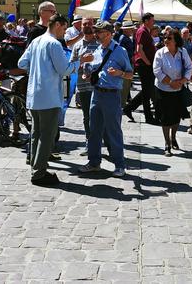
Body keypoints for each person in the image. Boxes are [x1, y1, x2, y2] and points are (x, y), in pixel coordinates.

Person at [18, 14, 93, 186]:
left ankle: (36, 166)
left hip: (34, 95)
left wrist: (38, 68)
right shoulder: (53, 44)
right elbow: (65, 69)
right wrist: (80, 61)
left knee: (36, 133)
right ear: (58, 25)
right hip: (49, 96)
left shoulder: (36, 41)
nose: (65, 33)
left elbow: (22, 63)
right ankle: (39, 173)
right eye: (65, 28)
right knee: (46, 136)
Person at [79, 21, 133, 177]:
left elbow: (129, 73)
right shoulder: (98, 49)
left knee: (113, 131)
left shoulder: (120, 51)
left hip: (111, 95)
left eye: (99, 32)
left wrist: (119, 73)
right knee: (94, 130)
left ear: (109, 34)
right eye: (96, 32)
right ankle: (94, 162)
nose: (96, 35)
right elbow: (93, 70)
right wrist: (86, 69)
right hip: (96, 94)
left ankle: (119, 164)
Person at [153, 28, 192, 156]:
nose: (165, 40)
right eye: (164, 37)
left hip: (178, 89)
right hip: (163, 89)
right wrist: (170, 82)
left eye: (169, 38)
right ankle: (167, 143)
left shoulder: (182, 52)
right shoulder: (160, 53)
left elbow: (189, 67)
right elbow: (157, 70)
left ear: (176, 41)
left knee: (176, 116)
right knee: (165, 117)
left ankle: (173, 137)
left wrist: (181, 81)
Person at [123, 13, 160, 125]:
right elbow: (139, 49)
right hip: (144, 66)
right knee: (147, 91)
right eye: (152, 20)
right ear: (146, 20)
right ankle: (148, 117)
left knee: (147, 90)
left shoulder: (145, 31)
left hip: (146, 65)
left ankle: (129, 108)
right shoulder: (142, 31)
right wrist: (148, 62)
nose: (154, 22)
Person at [70, 24, 99, 155]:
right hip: (83, 87)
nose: (88, 27)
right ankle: (89, 143)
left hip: (97, 86)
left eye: (90, 24)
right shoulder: (77, 45)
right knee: (86, 116)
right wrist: (81, 63)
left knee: (99, 116)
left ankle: (101, 143)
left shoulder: (100, 44)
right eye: (85, 24)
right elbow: (72, 66)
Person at [115, 20, 136, 108]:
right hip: (125, 64)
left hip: (127, 63)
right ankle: (121, 104)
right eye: (131, 29)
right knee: (124, 86)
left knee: (126, 86)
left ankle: (122, 103)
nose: (132, 30)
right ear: (126, 30)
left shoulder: (125, 38)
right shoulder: (124, 38)